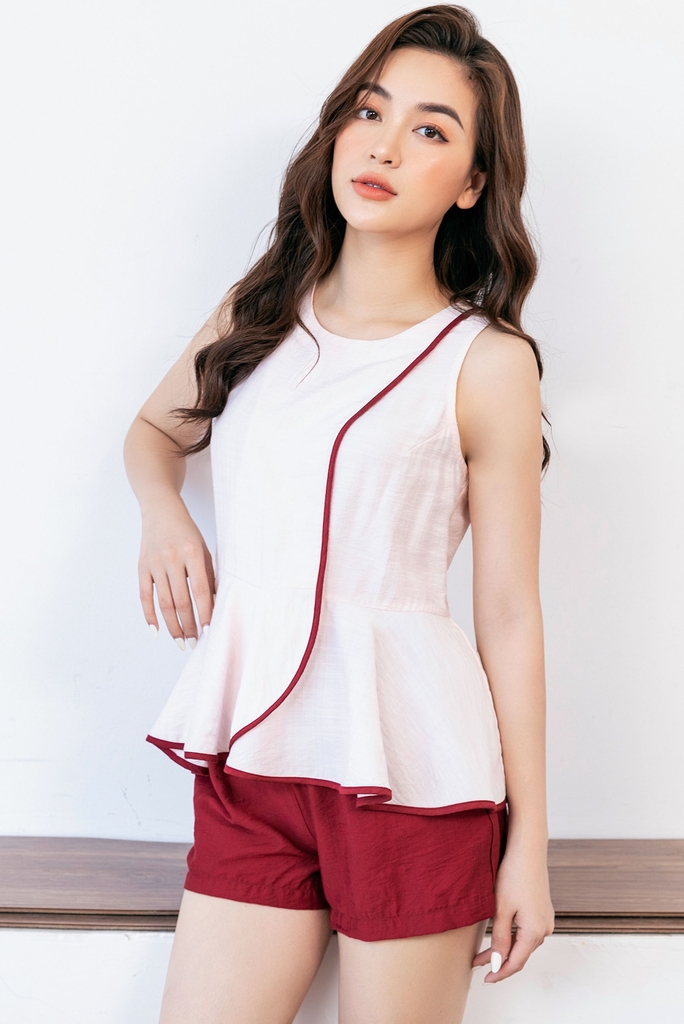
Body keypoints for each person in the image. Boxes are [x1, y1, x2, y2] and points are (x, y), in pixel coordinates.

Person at [123, 5, 555, 1022]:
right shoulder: (261, 311)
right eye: (370, 111)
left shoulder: (488, 363)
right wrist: (163, 511)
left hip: (413, 775)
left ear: (473, 183)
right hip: (255, 763)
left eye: (431, 130)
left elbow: (508, 614)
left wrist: (528, 848)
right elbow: (151, 432)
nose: (385, 146)